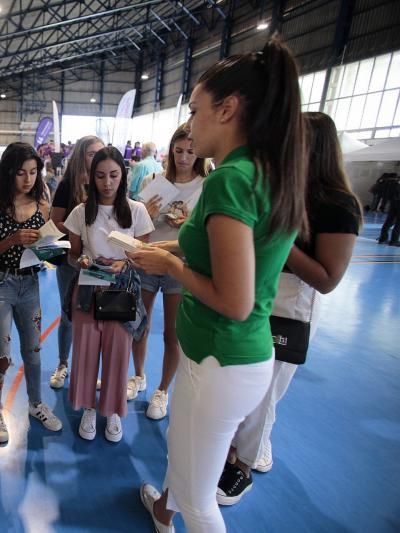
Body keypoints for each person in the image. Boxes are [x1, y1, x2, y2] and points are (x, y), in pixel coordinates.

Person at [133, 35, 307, 533]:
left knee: (199, 498)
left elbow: (235, 299)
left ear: (228, 109)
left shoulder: (230, 179)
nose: (190, 124)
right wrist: (160, 250)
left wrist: (170, 269)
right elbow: (211, 250)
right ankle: (162, 514)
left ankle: (175, 509)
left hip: (222, 355)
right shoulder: (264, 171)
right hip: (224, 356)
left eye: (195, 109)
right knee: (184, 453)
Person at [216, 111, 362, 505]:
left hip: (290, 306)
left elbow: (327, 278)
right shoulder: (277, 190)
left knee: (264, 393)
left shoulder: (336, 203)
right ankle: (231, 450)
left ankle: (241, 465)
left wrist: (282, 240)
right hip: (254, 293)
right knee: (241, 382)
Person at [0, 142, 63, 443]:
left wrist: (51, 249)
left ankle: (36, 404)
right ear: (8, 172)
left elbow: (50, 252)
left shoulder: (42, 203)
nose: (28, 179)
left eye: (34, 172)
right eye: (21, 172)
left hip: (31, 283)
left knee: (34, 352)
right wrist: (12, 239)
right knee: (1, 356)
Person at [64, 147, 153, 442]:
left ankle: (113, 409)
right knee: (86, 350)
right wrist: (83, 261)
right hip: (88, 288)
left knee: (118, 352)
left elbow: (144, 253)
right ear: (92, 177)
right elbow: (72, 256)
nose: (107, 182)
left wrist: (125, 261)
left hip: (122, 289)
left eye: (114, 175)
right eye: (100, 175)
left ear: (123, 176)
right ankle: (89, 407)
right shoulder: (80, 212)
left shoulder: (137, 211)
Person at [129, 123, 210, 420]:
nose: (184, 157)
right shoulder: (154, 179)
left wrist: (190, 226)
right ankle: (138, 376)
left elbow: (210, 231)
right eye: (178, 151)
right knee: (140, 324)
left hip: (182, 262)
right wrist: (145, 214)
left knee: (172, 334)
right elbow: (136, 225)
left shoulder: (206, 185)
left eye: (190, 151)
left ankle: (162, 390)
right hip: (150, 259)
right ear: (170, 151)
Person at [48, 135, 105, 389]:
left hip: (98, 261)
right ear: (82, 155)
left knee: (95, 315)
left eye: (101, 152)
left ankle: (90, 369)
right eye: (92, 153)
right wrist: (78, 227)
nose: (97, 158)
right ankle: (63, 364)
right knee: (68, 314)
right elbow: (55, 221)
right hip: (71, 260)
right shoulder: (68, 185)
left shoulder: (106, 183)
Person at [378, 176, 400, 245]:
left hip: (393, 202)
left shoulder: (394, 182)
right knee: (398, 223)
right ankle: (394, 240)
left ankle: (383, 238)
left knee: (389, 221)